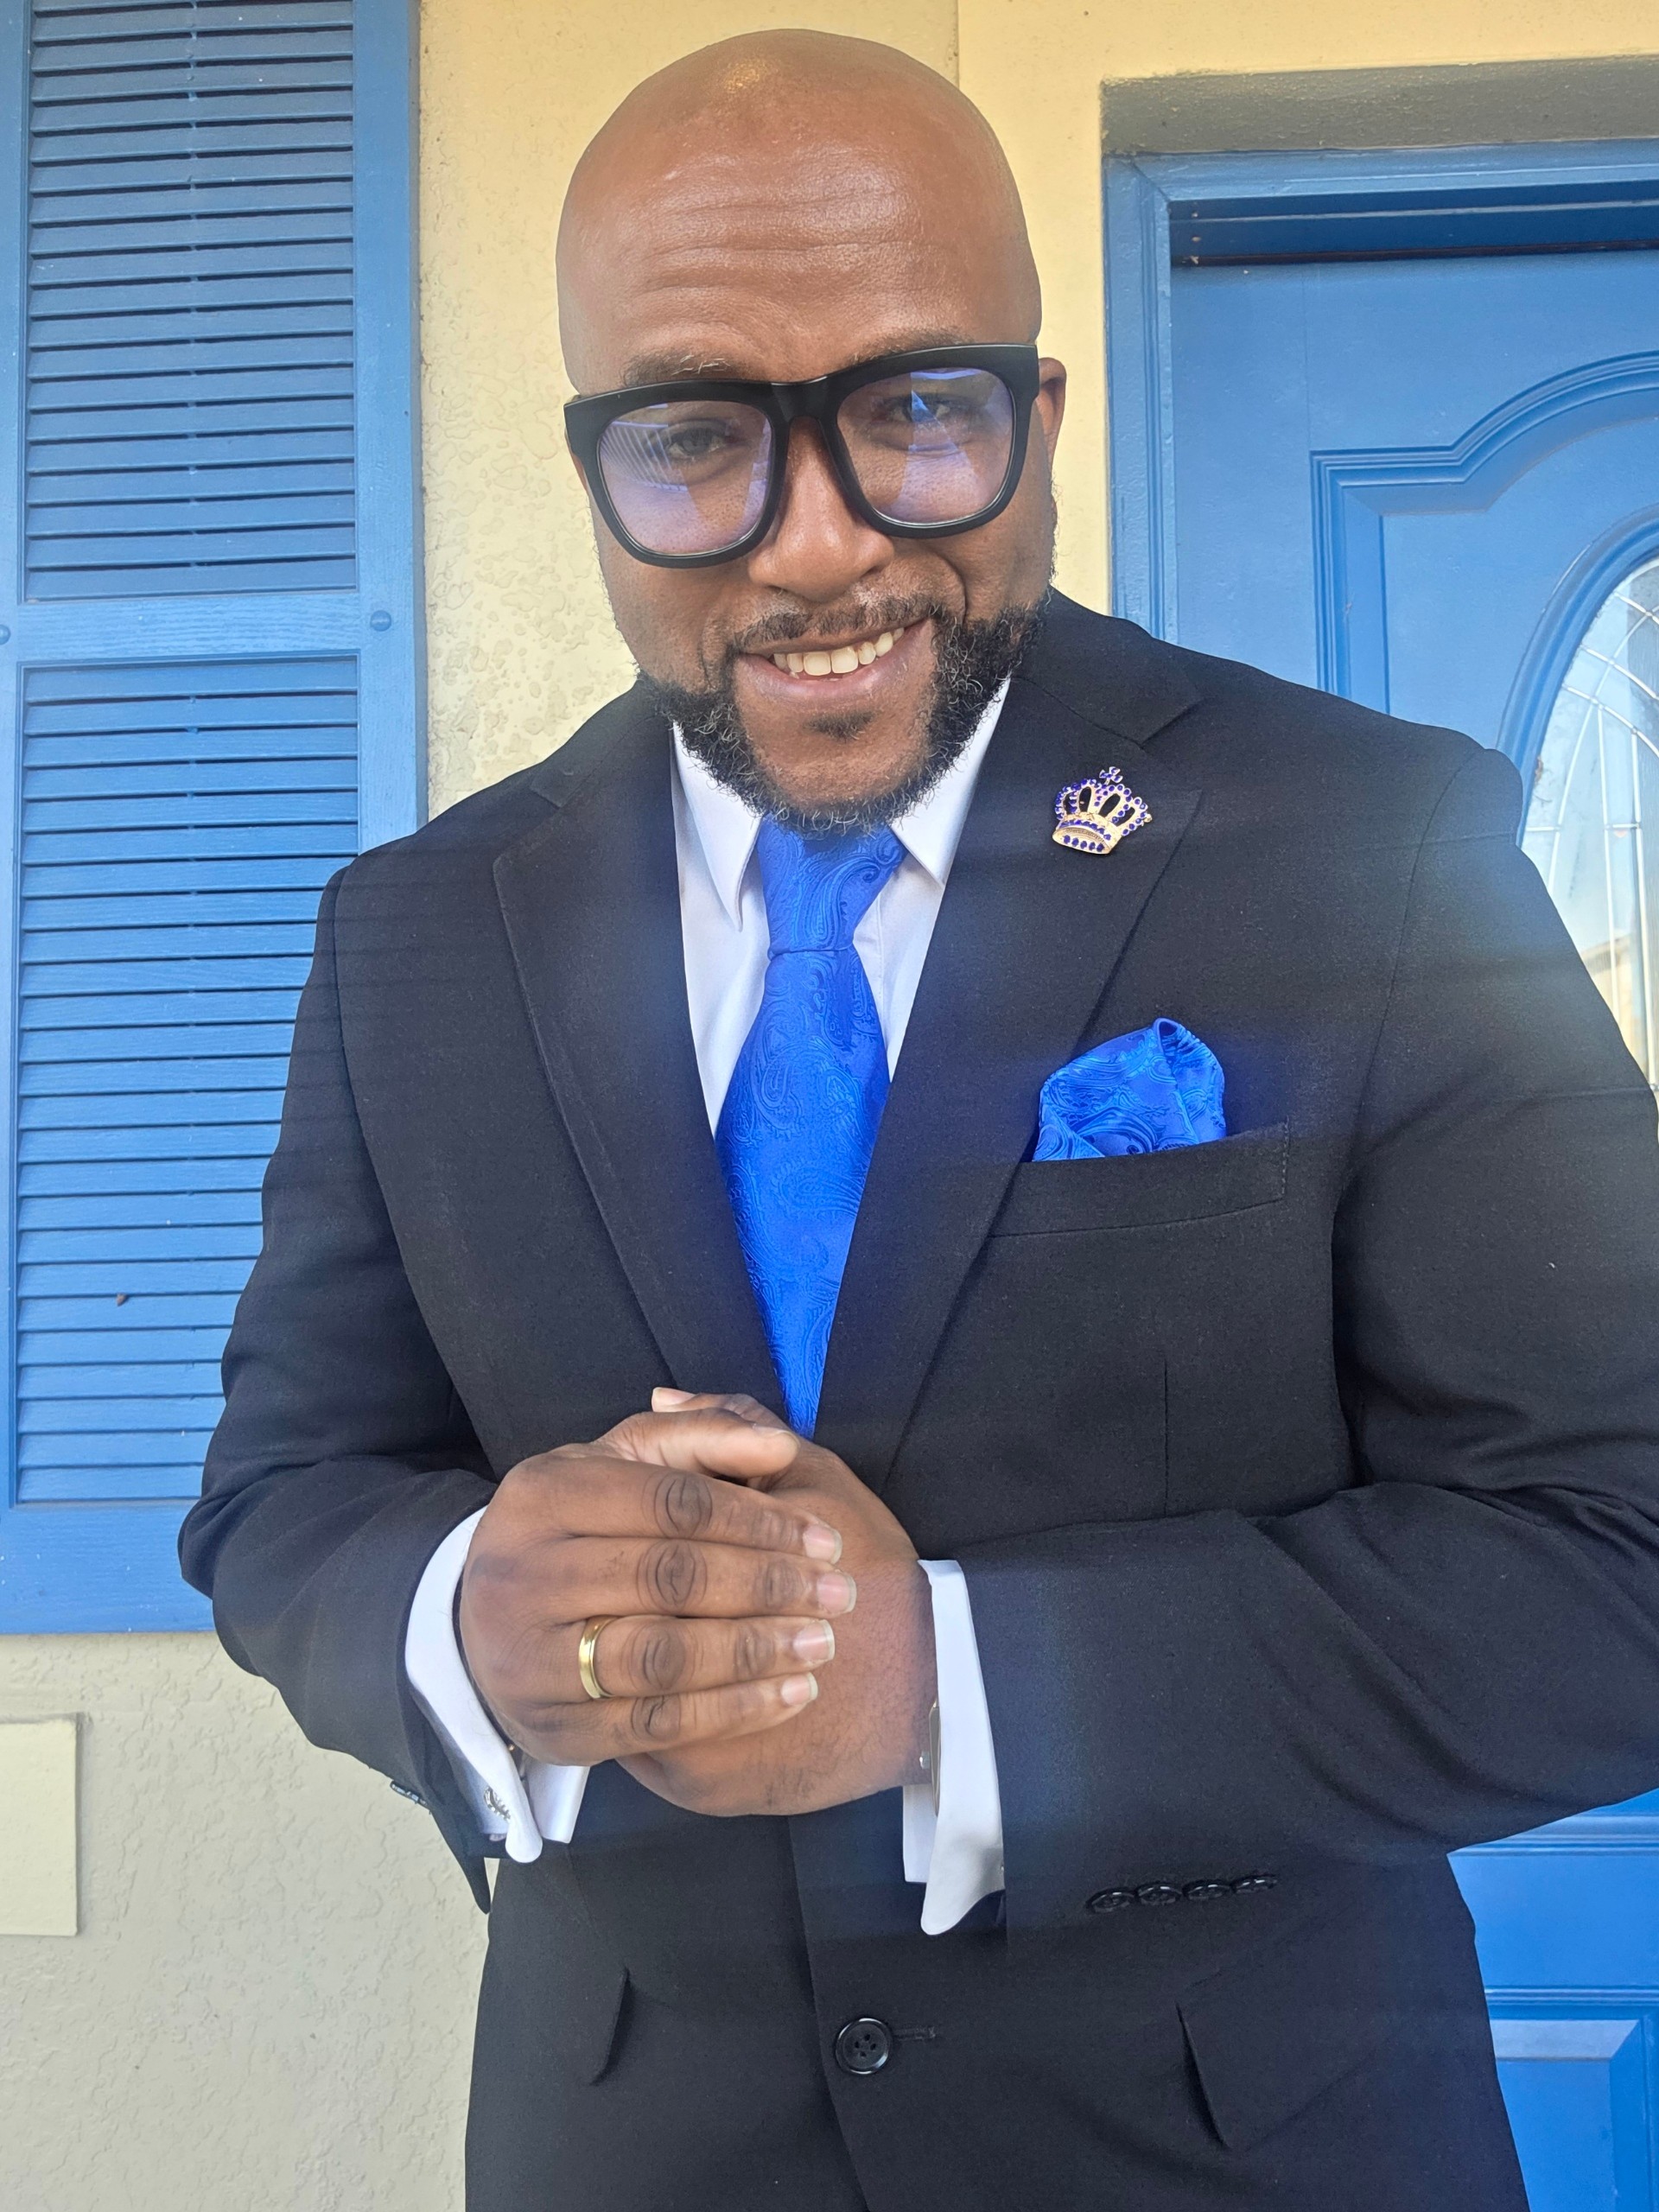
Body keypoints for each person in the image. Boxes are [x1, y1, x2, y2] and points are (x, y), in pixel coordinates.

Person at [181, 30, 1659, 2212]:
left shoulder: (1375, 843)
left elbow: (1617, 1548)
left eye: (915, 413)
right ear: (593, 462)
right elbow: (281, 1495)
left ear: (1038, 419)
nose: (814, 549)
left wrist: (955, 1681)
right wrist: (466, 1611)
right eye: (699, 437)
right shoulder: (412, 930)